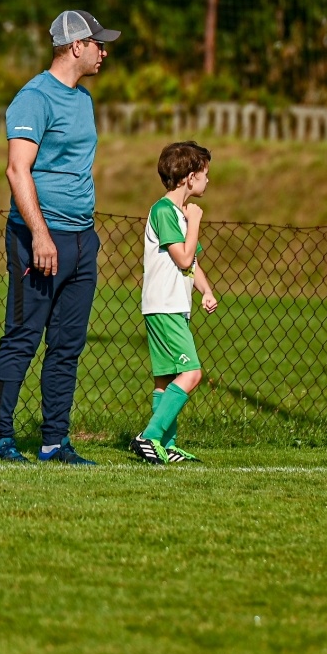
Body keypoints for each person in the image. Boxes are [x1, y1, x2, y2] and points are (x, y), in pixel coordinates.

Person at [0, 10, 120, 464]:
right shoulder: (33, 98)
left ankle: (54, 442)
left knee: (67, 346)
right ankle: (0, 439)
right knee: (22, 338)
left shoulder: (83, 100)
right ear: (76, 45)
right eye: (99, 43)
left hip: (82, 239)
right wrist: (40, 236)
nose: (105, 51)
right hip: (39, 239)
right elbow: (16, 169)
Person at [130, 141, 218, 465]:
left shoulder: (178, 214)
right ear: (189, 177)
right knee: (192, 373)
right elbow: (183, 257)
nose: (208, 181)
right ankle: (150, 436)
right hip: (164, 307)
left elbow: (192, 263)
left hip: (169, 306)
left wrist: (206, 290)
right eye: (205, 174)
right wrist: (195, 221)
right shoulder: (165, 211)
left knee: (166, 378)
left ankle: (165, 445)